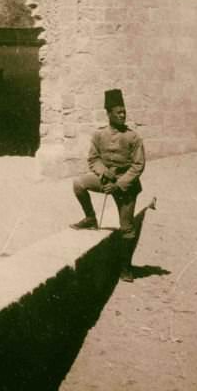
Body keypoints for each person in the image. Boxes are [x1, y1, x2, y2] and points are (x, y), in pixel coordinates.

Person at [71, 88, 145, 282]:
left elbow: (138, 166)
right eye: (118, 112)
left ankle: (126, 267)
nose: (122, 115)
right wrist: (104, 173)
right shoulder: (99, 135)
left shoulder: (133, 137)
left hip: (126, 187)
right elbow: (93, 159)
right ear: (109, 114)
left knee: (127, 228)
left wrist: (119, 185)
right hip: (106, 180)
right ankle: (90, 218)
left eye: (124, 112)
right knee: (78, 184)